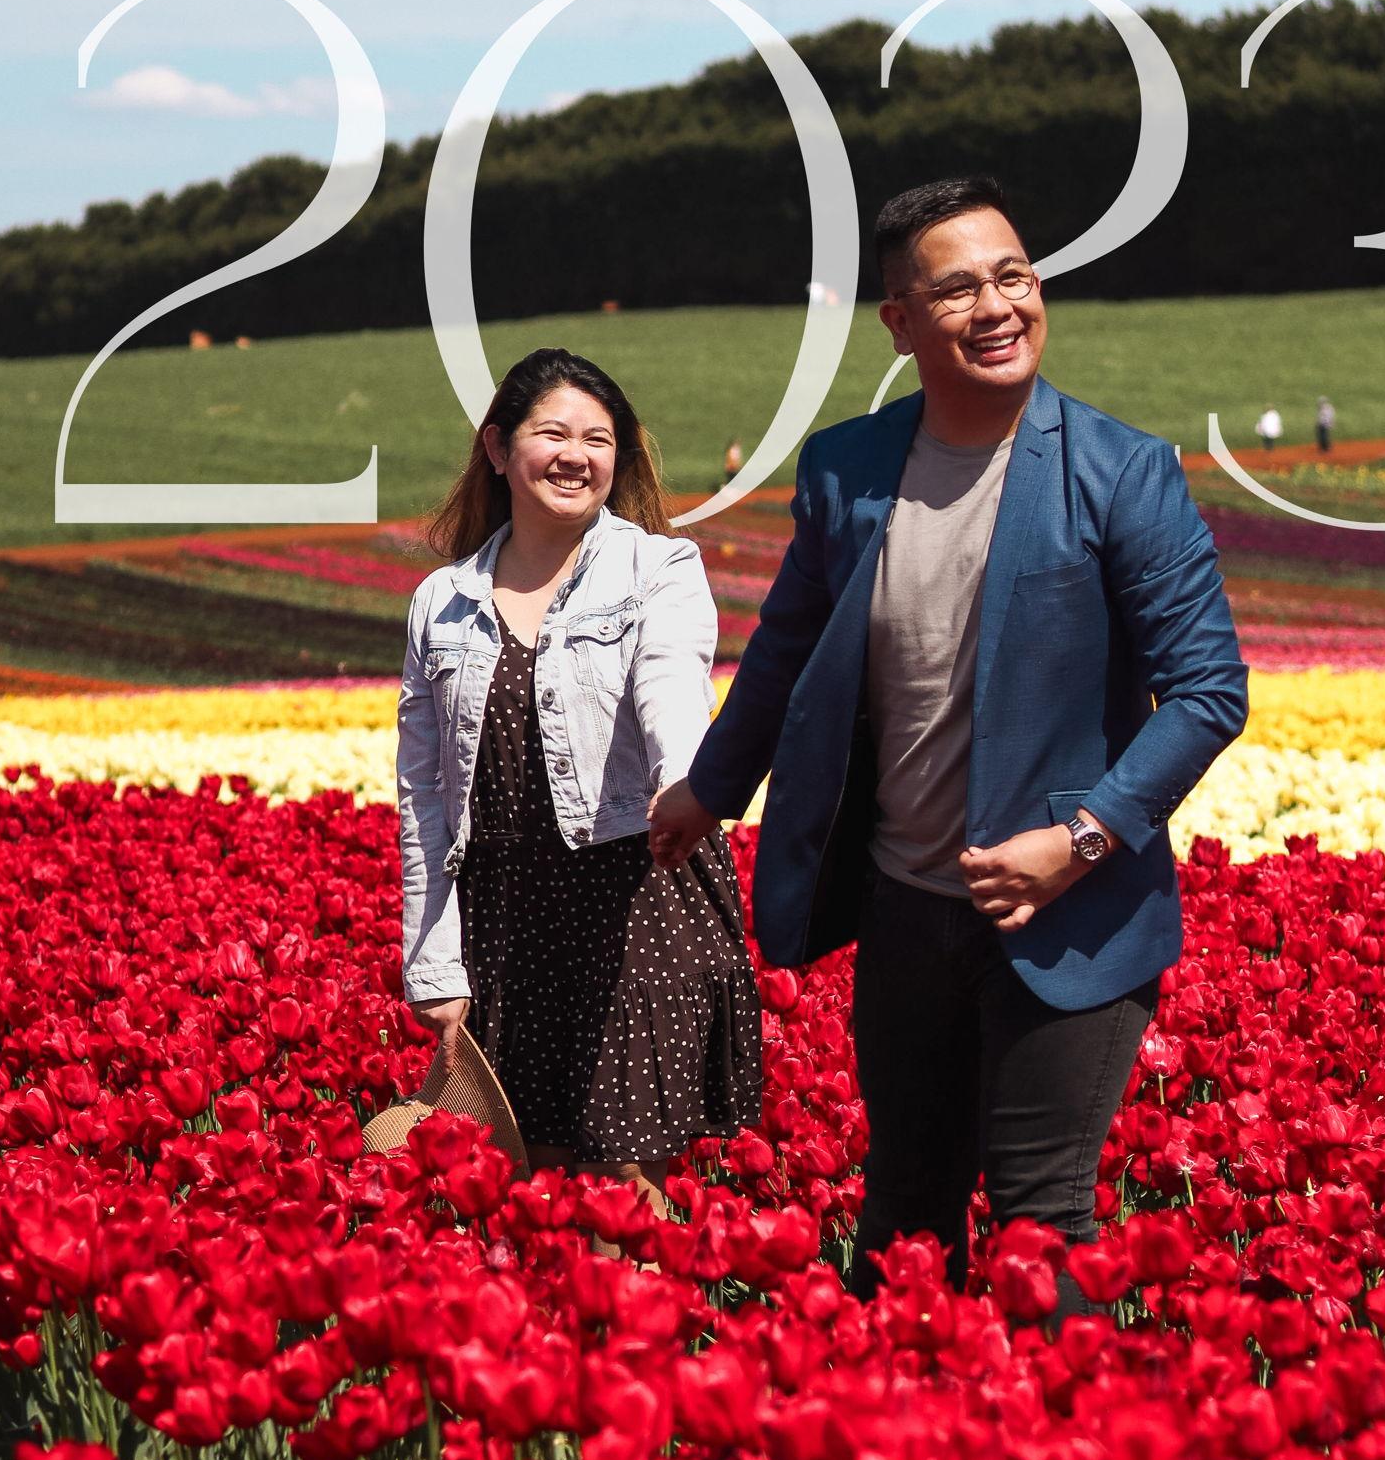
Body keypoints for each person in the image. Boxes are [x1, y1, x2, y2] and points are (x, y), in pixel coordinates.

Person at [650, 175, 1248, 1323]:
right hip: (907, 908)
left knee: (1039, 1225)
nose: (996, 305)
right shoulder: (848, 470)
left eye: (1013, 276)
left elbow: (1207, 692)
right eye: (958, 287)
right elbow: (784, 651)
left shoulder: (1119, 471)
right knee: (902, 1218)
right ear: (900, 322)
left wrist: (1079, 839)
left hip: (1066, 916)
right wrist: (710, 790)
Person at [398, 347, 762, 1215]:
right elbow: (425, 796)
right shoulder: (441, 601)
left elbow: (673, 682)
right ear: (497, 449)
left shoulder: (658, 570)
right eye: (552, 433)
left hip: (638, 891)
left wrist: (684, 783)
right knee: (534, 1189)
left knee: (623, 1193)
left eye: (600, 439)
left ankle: (637, 1345)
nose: (578, 456)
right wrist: (433, 963)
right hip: (509, 918)